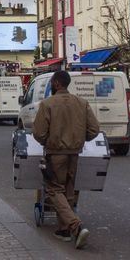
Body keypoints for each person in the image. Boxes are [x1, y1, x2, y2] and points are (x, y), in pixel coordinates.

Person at [32, 71, 99, 250]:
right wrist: (78, 139)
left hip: (55, 153)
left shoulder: (47, 104)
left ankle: (76, 226)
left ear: (55, 83)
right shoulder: (82, 103)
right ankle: (64, 231)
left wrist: (49, 141)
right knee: (69, 190)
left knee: (54, 190)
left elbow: (38, 133)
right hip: (74, 153)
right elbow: (94, 130)